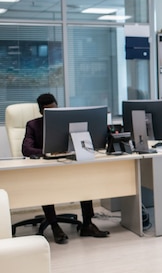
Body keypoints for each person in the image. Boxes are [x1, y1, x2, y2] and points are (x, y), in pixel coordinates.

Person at [21, 93, 110, 244]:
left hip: (68, 164)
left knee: (84, 182)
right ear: (41, 112)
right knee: (46, 187)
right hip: (46, 167)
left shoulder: (67, 121)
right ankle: (55, 226)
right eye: (48, 111)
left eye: (55, 109)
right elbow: (26, 149)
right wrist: (47, 151)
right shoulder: (33, 125)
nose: (53, 113)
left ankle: (87, 225)